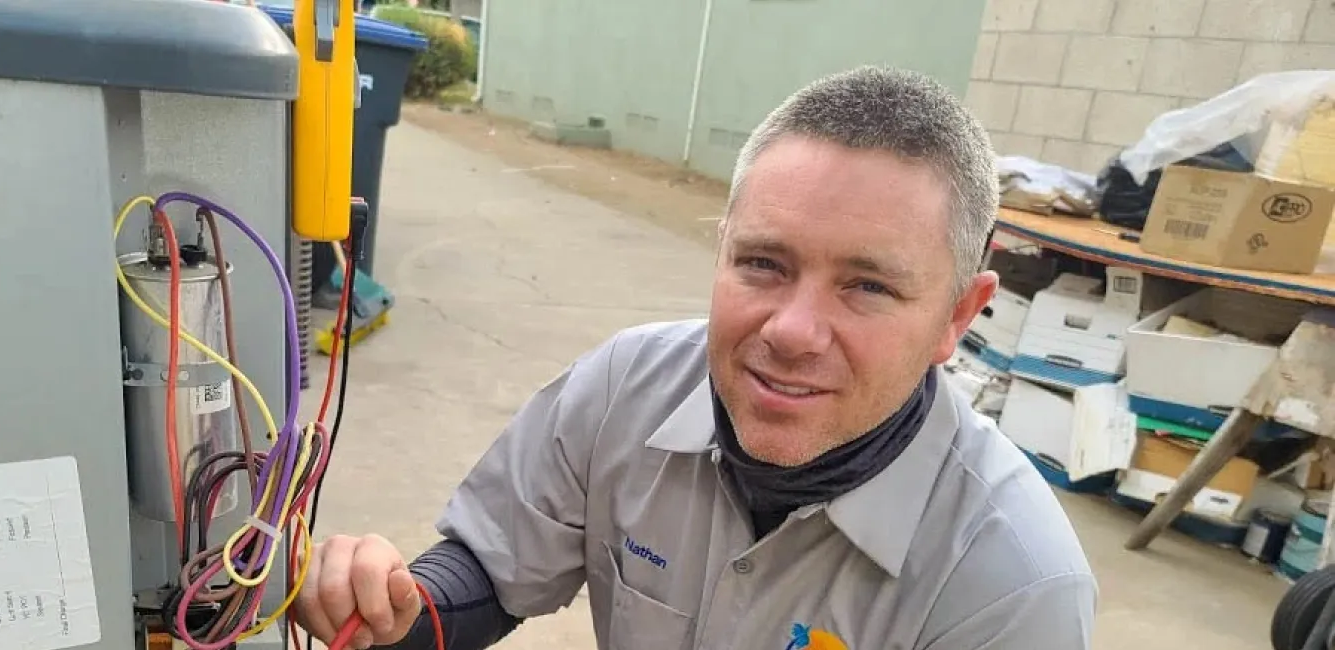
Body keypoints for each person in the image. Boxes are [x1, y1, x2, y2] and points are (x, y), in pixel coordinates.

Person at [292, 65, 1097, 650]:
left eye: (868, 287)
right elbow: (490, 571)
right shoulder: (625, 389)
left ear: (958, 314)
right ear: (721, 251)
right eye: (764, 264)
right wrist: (393, 603)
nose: (792, 330)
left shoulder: (1012, 586)